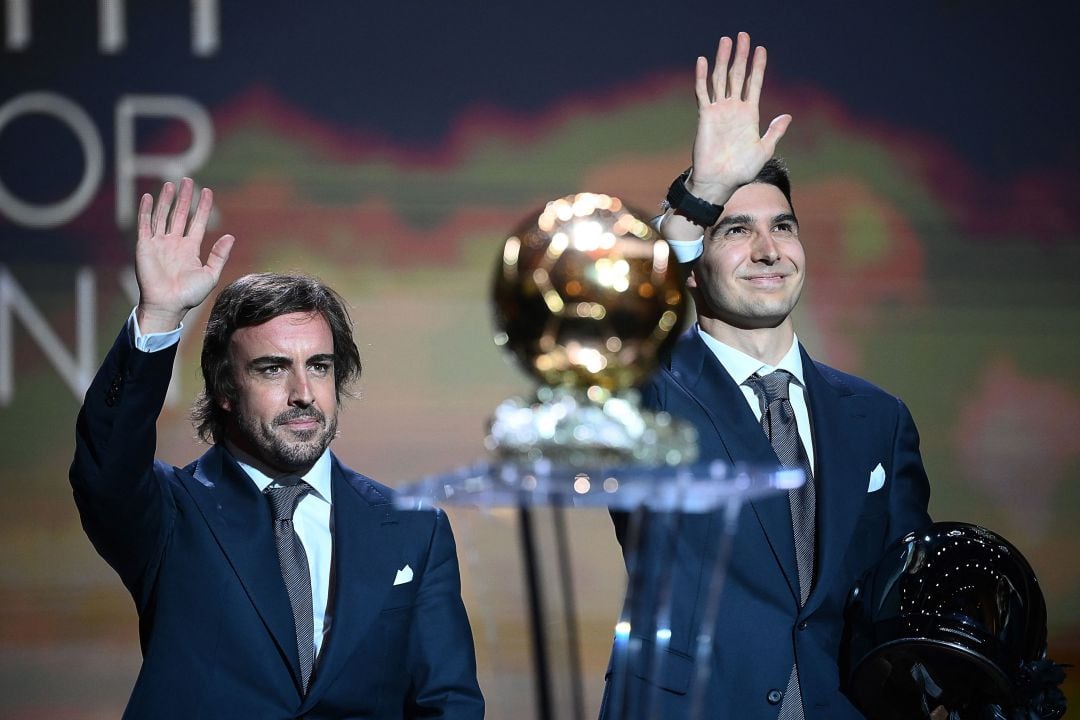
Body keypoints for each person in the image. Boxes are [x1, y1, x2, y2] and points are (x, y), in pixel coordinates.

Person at [599, 33, 931, 719]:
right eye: (734, 230)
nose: (768, 249)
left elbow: (902, 595)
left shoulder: (878, 418)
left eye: (784, 226)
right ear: (693, 261)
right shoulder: (648, 392)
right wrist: (699, 198)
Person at [70, 178, 485, 719]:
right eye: (272, 369)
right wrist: (160, 318)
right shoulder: (173, 513)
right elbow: (106, 469)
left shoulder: (415, 530)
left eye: (320, 366)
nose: (303, 393)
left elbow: (447, 701)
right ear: (223, 388)